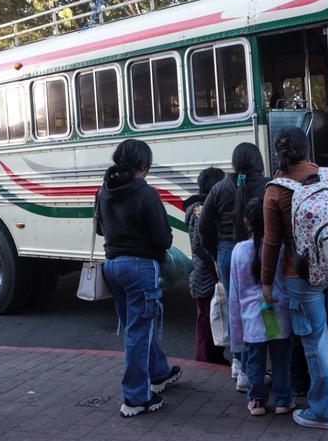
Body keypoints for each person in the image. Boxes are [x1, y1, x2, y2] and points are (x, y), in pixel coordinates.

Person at [261, 126, 328, 430]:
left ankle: (326, 411)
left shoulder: (276, 190)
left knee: (316, 338)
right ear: (307, 148)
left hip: (301, 274)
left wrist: (265, 283)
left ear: (278, 152)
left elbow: (271, 243)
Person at [96, 139, 181, 417]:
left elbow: (99, 229)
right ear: (143, 165)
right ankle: (135, 398)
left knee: (137, 326)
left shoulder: (104, 190)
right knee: (139, 331)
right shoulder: (146, 194)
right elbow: (163, 239)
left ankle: (159, 373)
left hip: (112, 266)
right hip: (140, 268)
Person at [199, 142, 269, 390]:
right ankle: (261, 363)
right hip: (260, 249)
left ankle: (239, 364)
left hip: (228, 253)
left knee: (236, 308)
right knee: (264, 303)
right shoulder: (266, 186)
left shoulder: (220, 188)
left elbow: (203, 226)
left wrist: (215, 255)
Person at [229, 197, 295, 416]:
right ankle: (283, 401)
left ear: (247, 221)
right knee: (281, 358)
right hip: (278, 311)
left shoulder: (239, 250)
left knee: (255, 360)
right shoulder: (282, 247)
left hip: (252, 317)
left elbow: (235, 294)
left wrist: (235, 334)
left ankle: (256, 400)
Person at [184, 166, 227, 364]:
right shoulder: (201, 210)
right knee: (207, 321)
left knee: (213, 318)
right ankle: (206, 362)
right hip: (205, 276)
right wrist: (217, 261)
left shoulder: (200, 207)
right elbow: (200, 246)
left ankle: (213, 358)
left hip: (204, 275)